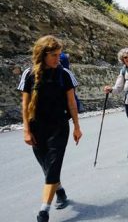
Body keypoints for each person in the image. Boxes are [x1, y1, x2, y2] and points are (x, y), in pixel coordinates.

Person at [17, 35, 82, 222]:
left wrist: (77, 127)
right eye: (54, 55)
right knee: (47, 167)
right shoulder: (28, 74)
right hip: (37, 128)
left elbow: (72, 104)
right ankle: (60, 191)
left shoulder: (65, 74)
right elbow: (25, 105)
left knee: (53, 166)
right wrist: (26, 130)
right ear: (42, 54)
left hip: (59, 127)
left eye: (59, 55)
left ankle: (43, 211)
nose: (58, 59)